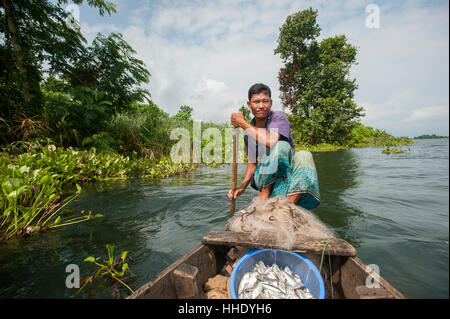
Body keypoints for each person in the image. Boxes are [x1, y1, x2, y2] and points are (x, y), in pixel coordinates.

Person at [227, 83, 321, 210]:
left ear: (270, 103)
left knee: (304, 154)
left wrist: (242, 123)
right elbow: (252, 163)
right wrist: (242, 187)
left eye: (265, 101)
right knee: (280, 146)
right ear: (249, 105)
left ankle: (288, 207)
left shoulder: (278, 117)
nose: (261, 106)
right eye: (256, 102)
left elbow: (270, 141)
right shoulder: (248, 133)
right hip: (264, 177)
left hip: (287, 173)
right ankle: (266, 191)